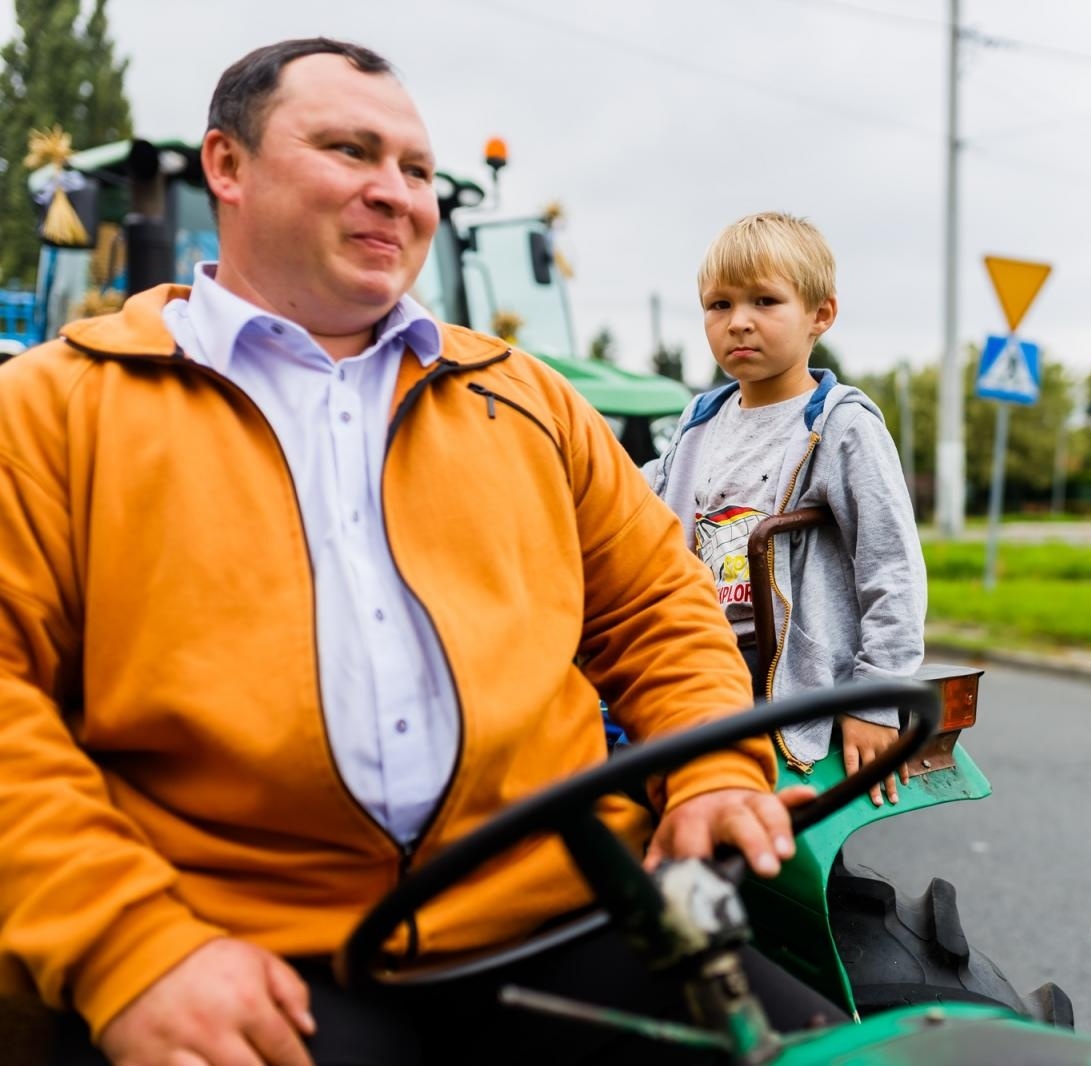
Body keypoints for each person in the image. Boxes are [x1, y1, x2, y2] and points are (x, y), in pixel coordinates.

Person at [0, 38, 836, 1066]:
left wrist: (712, 765)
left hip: (563, 910)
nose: (393, 192)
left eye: (414, 169)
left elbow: (658, 605)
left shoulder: (527, 398)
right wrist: (126, 942)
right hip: (242, 949)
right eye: (349, 151)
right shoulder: (53, 410)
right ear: (227, 166)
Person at [645, 213, 927, 807]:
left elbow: (891, 566)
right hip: (690, 667)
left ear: (819, 315)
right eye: (718, 305)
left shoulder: (840, 426)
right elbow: (634, 500)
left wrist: (874, 700)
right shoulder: (699, 422)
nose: (738, 322)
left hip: (782, 684)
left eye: (765, 301)